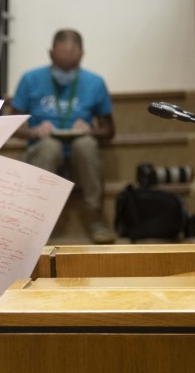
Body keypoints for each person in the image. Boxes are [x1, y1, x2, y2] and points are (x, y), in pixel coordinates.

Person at [10, 29, 116, 244]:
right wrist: (33, 131)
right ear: (50, 54)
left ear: (81, 55)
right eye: (61, 63)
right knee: (50, 147)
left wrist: (90, 129)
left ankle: (96, 219)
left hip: (79, 152)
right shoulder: (30, 79)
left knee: (85, 145)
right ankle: (36, 223)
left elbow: (110, 130)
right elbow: (12, 126)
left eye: (72, 64)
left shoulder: (95, 83)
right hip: (43, 150)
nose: (66, 69)